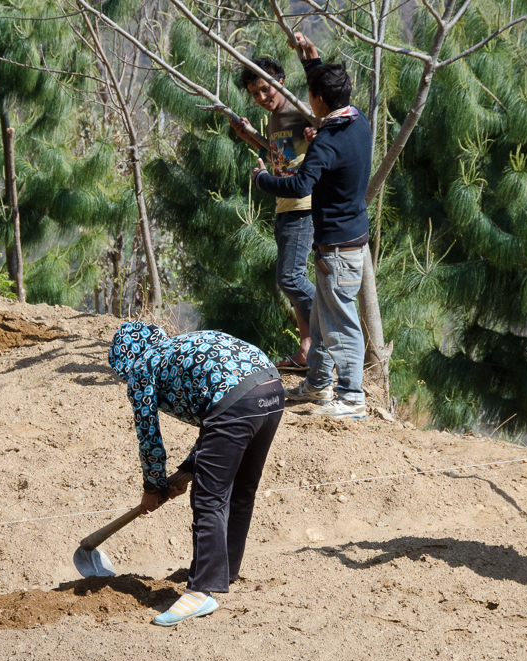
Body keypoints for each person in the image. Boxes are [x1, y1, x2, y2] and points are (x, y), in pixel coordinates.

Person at [108, 321, 284, 626]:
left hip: (236, 402)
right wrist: (185, 471)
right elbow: (215, 423)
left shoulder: (141, 367)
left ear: (124, 359)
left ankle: (201, 590)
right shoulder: (177, 348)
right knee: (242, 487)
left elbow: (149, 439)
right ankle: (225, 571)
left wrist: (152, 488)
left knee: (208, 497)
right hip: (271, 388)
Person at [252, 62, 372, 420]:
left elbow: (300, 184)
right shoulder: (358, 121)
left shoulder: (327, 141)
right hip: (349, 239)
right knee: (321, 319)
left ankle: (351, 397)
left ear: (318, 99)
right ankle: (318, 383)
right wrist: (313, 63)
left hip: (337, 248)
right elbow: (328, 102)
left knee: (341, 324)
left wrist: (262, 179)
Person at [229, 34, 320, 373]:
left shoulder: (299, 110)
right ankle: (307, 349)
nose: (262, 98)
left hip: (304, 205)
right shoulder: (274, 119)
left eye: (266, 89)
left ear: (280, 82)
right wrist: (250, 136)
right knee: (290, 282)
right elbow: (280, 155)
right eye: (255, 94)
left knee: (291, 278)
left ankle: (332, 332)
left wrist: (317, 133)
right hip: (284, 205)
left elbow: (327, 133)